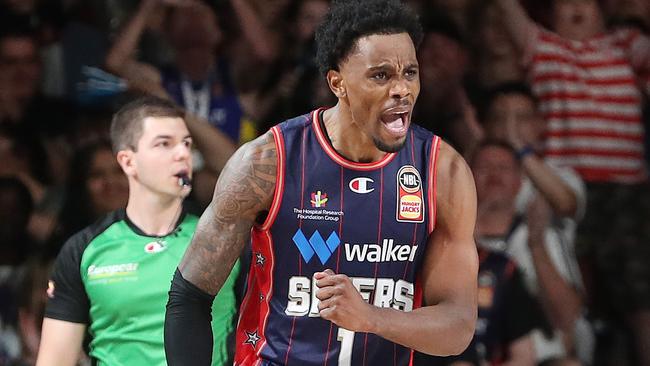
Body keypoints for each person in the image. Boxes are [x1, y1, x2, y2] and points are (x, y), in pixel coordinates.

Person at [165, 0, 479, 365]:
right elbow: (190, 295)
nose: (402, 90)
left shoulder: (442, 172)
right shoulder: (268, 161)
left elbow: (458, 326)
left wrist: (372, 318)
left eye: (410, 72)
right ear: (337, 83)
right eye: (381, 75)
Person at [36, 96, 240, 366]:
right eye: (164, 144)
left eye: (187, 144)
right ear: (128, 162)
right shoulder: (84, 249)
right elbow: (55, 361)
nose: (182, 154)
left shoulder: (224, 238)